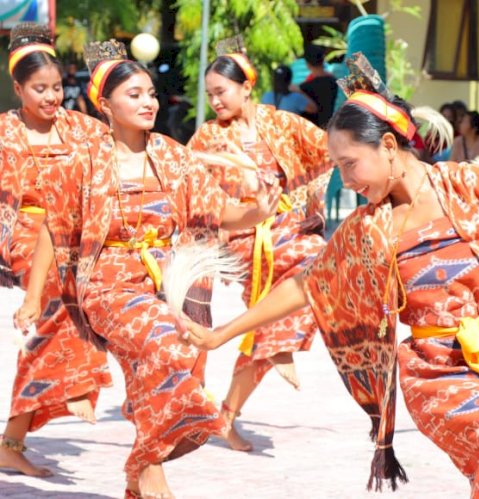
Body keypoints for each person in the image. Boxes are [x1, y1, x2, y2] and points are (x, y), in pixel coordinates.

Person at [177, 53, 479, 497]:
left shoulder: (469, 184)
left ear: (388, 146)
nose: (344, 179)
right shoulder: (369, 228)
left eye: (349, 164)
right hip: (435, 375)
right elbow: (306, 284)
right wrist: (221, 335)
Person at [14, 39, 280, 498]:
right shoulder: (83, 162)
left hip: (162, 281)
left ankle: (143, 479)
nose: (148, 102)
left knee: (154, 372)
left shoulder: (173, 156)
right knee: (165, 340)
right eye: (134, 94)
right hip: (107, 283)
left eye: (151, 93)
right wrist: (33, 297)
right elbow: (51, 232)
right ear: (105, 105)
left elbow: (221, 211)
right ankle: (146, 462)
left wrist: (257, 211)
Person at [187, 36, 333, 453]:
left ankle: (226, 416)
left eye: (222, 91)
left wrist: (312, 202)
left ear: (246, 87)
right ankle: (279, 343)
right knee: (313, 260)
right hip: (243, 235)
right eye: (210, 94)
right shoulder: (206, 138)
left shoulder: (280, 122)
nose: (215, 101)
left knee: (270, 321)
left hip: (286, 224)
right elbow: (195, 192)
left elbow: (329, 151)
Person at [0, 23, 112, 478]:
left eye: (57, 87)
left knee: (92, 294)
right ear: (18, 88)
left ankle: (13, 439)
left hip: (73, 232)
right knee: (59, 287)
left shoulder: (83, 128)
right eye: (39, 89)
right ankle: (79, 380)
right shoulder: (4, 133)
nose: (51, 97)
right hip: (21, 230)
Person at [299, 44, 338, 128]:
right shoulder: (336, 82)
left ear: (307, 64)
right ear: (323, 60)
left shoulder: (304, 89)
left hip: (315, 134)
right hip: (335, 129)